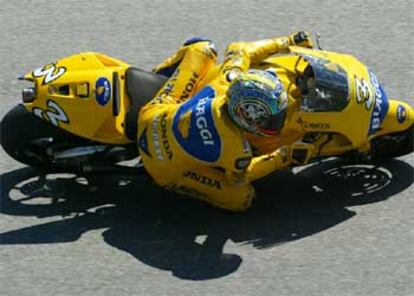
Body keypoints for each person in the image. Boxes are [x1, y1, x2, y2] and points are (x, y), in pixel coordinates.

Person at [136, 32, 315, 211]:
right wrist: (283, 156)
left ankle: (157, 78)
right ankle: (175, 181)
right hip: (161, 167)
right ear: (245, 117)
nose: (277, 122)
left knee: (203, 49)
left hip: (153, 114)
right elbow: (240, 178)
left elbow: (239, 50)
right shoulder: (237, 150)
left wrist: (288, 41)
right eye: (269, 120)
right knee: (241, 199)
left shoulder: (227, 81)